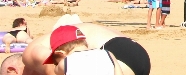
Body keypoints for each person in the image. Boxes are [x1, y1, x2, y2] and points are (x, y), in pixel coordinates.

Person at [22, 22, 151, 75]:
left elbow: (52, 70)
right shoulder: (106, 53)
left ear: (60, 53)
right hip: (137, 52)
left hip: (117, 48)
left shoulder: (32, 52)